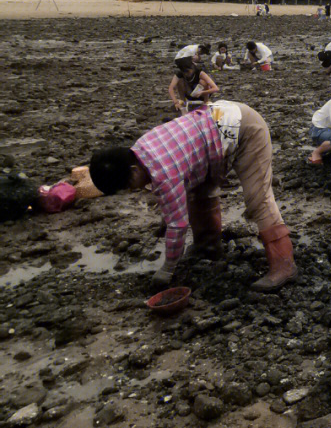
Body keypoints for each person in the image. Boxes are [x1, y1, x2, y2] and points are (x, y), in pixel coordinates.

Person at [87, 101, 296, 291]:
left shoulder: (163, 171)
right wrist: (166, 217)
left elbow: (178, 224)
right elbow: (175, 197)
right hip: (213, 128)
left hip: (244, 128)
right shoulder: (140, 150)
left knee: (257, 199)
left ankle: (284, 264)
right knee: (198, 191)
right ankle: (208, 247)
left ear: (133, 169)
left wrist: (168, 269)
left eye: (128, 185)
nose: (133, 190)